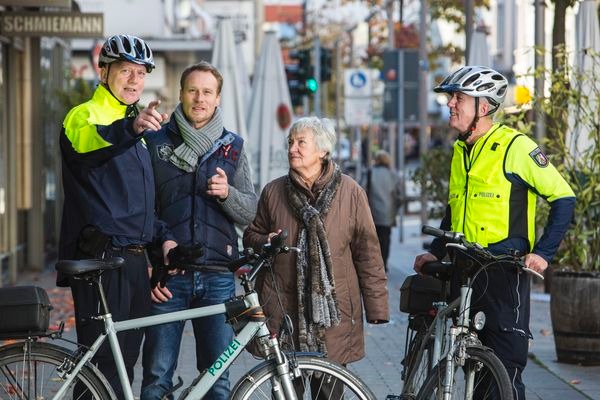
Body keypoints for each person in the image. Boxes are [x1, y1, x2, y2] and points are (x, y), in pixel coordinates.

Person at [413, 66, 576, 399]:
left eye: (459, 98)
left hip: (502, 272)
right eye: (451, 98)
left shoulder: (515, 147)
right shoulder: (461, 151)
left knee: (503, 370)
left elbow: (564, 198)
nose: (451, 105)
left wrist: (543, 254)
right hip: (464, 271)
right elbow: (455, 211)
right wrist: (437, 249)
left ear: (483, 107)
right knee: (466, 367)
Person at [59, 34, 173, 398]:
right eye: (126, 71)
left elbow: (134, 205)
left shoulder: (134, 130)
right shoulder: (86, 117)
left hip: (134, 262)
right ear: (103, 71)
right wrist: (130, 128)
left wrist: (162, 240)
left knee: (126, 362)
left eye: (140, 73)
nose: (134, 80)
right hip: (101, 258)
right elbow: (88, 145)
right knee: (100, 365)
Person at [141, 61, 258, 400]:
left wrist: (228, 195)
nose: (199, 98)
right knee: (156, 378)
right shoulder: (155, 143)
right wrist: (161, 245)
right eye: (193, 90)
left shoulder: (232, 146)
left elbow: (249, 210)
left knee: (217, 380)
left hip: (218, 277)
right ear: (181, 94)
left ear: (218, 98)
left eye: (207, 91)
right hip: (168, 277)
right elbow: (144, 210)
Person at [243, 117, 390, 385]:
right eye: (290, 142)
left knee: (329, 392)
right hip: (284, 311)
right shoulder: (273, 192)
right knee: (288, 391)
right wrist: (266, 240)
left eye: (301, 142)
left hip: (334, 319)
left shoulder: (351, 193)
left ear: (322, 150)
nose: (292, 149)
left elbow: (368, 253)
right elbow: (250, 236)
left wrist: (377, 307)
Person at [364, 149, 401, 271]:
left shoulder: (370, 173)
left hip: (372, 214)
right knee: (385, 239)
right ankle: (384, 264)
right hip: (388, 215)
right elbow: (400, 195)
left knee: (372, 240)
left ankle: (373, 265)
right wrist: (395, 208)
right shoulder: (394, 175)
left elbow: (361, 190)